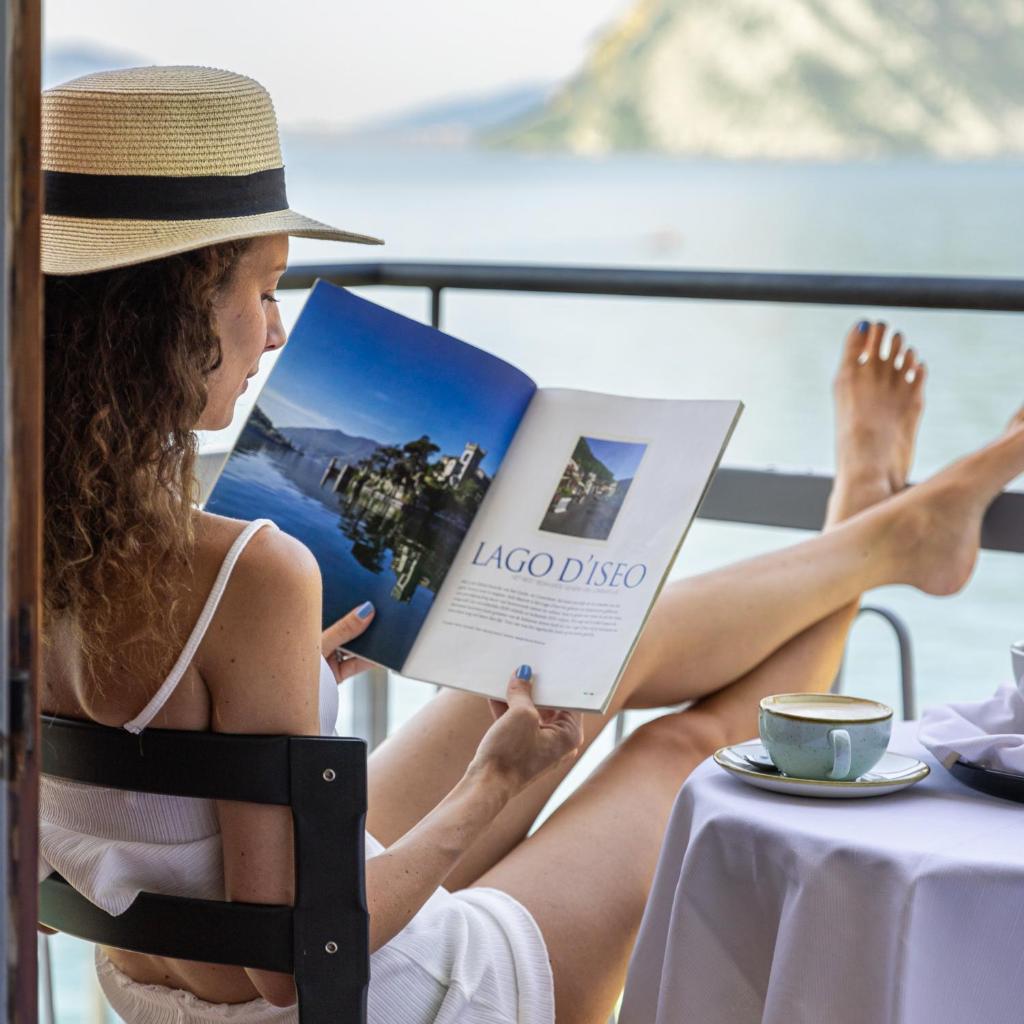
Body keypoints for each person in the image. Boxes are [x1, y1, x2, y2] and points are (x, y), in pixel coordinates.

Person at [38, 67, 1024, 1024]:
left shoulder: (29, 543)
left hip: (154, 986)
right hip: (385, 993)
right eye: (261, 290)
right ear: (169, 311)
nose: (278, 330)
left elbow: (149, 811)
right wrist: (492, 787)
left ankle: (874, 536)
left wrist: (276, 677)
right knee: (679, 749)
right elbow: (284, 967)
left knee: (559, 653)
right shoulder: (245, 570)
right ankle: (871, 533)